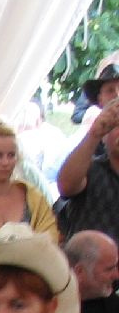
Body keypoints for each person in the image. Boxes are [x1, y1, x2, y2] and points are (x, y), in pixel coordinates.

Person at [54, 84, 119, 243]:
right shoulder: (91, 169)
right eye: (116, 126)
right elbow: (66, 185)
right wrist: (93, 135)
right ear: (104, 135)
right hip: (89, 265)